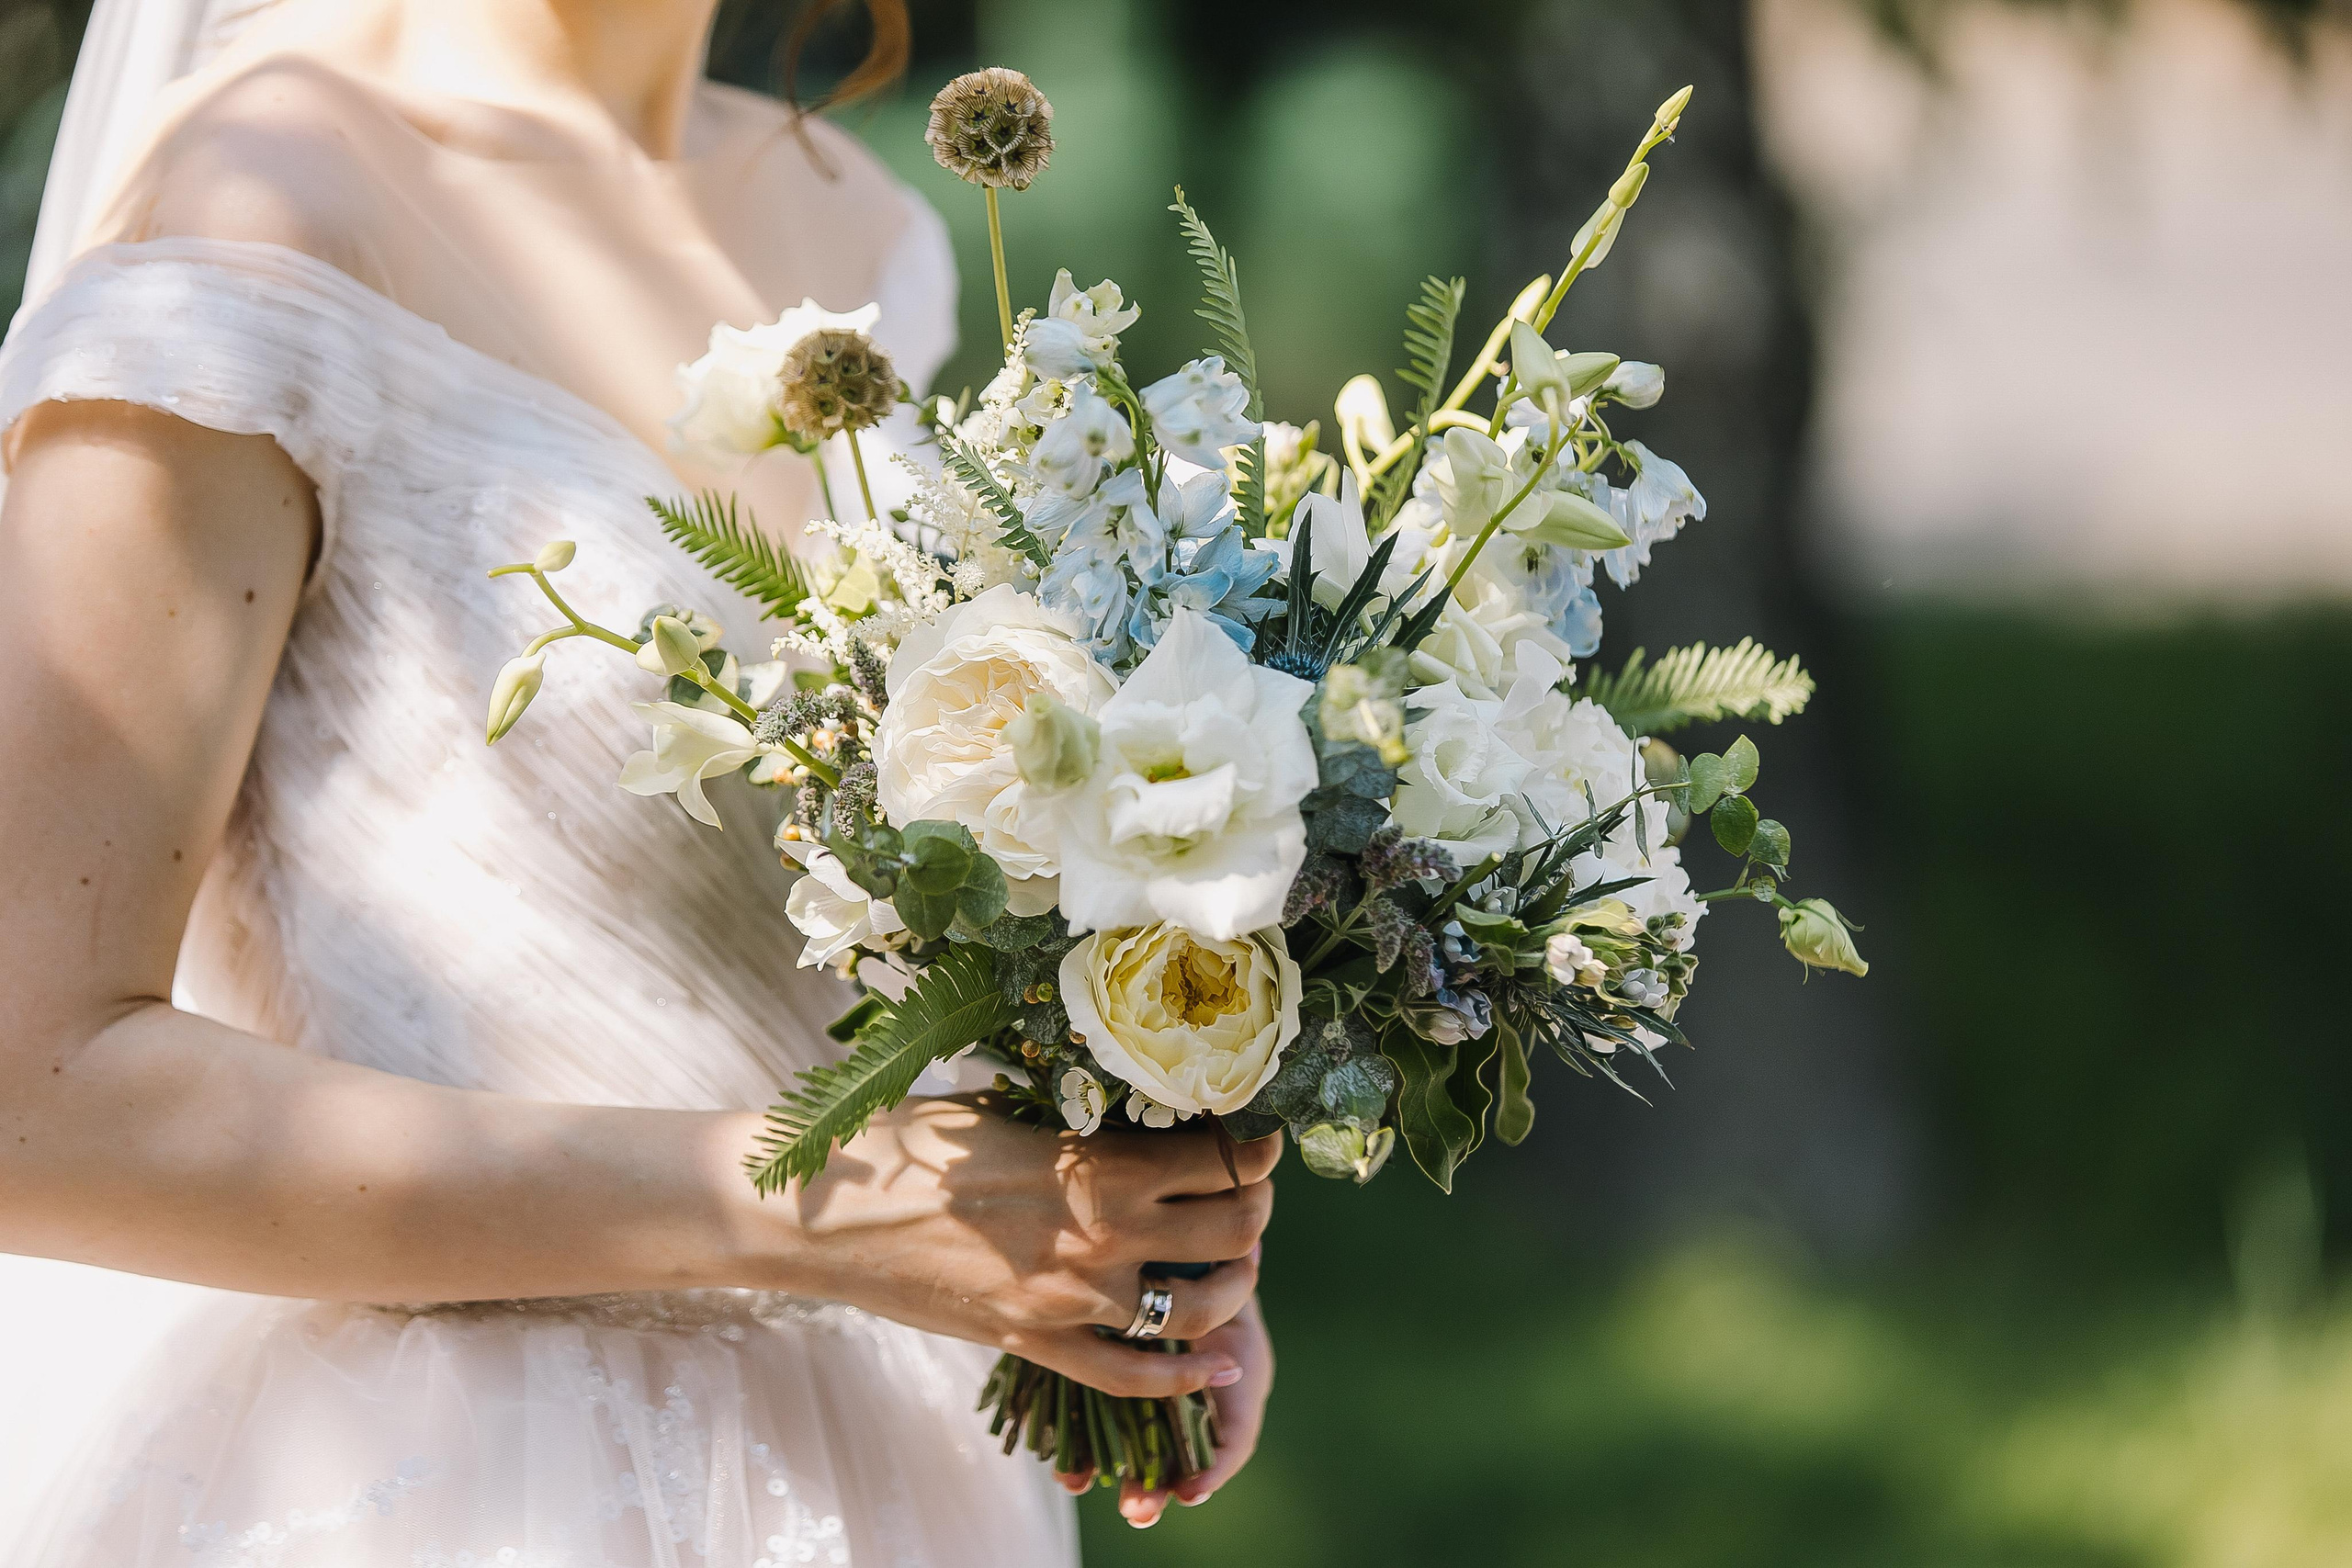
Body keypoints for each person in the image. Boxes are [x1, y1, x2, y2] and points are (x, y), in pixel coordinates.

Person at [0, 0, 1277, 1560]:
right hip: (470, 1487)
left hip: (902, 1478)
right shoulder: (266, 196)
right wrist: (830, 1204)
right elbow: (28, 1097)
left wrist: (1120, 1222)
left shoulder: (860, 228)